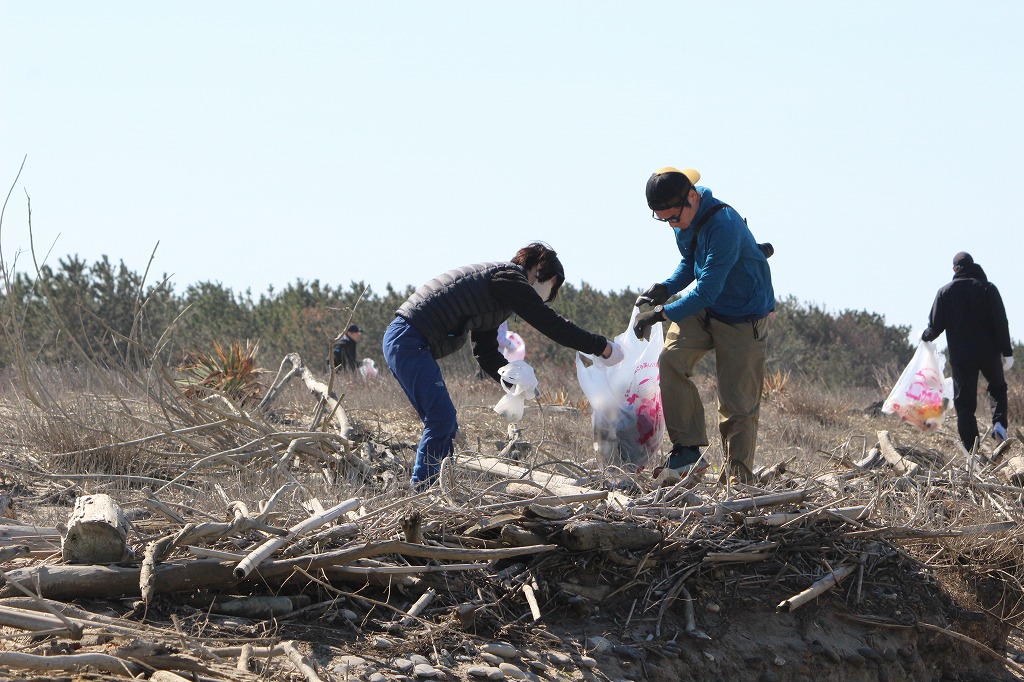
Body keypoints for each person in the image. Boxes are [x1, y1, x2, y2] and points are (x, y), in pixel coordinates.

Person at [383, 242, 625, 490]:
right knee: (441, 419)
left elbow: (485, 351)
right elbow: (551, 324)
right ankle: (423, 490)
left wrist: (512, 380)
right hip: (409, 338)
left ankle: (441, 487)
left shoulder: (497, 294)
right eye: (553, 286)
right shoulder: (508, 278)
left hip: (406, 339)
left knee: (445, 422)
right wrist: (600, 346)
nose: (549, 295)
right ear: (543, 271)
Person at [633, 167, 775, 484]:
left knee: (737, 404)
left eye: (673, 217)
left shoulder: (725, 226)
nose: (671, 224)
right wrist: (666, 288)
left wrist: (660, 314)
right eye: (663, 219)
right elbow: (690, 258)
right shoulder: (681, 214)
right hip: (705, 307)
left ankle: (738, 482)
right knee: (670, 360)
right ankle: (688, 453)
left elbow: (707, 288)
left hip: (743, 315)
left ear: (693, 198)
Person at [921, 252, 1013, 451]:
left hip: (962, 357)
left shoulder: (944, 292)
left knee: (964, 405)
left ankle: (972, 450)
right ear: (973, 266)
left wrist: (925, 339)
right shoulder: (988, 288)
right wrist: (1007, 352)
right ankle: (999, 425)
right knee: (997, 387)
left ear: (954, 269)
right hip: (989, 353)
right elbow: (1001, 322)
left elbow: (934, 327)